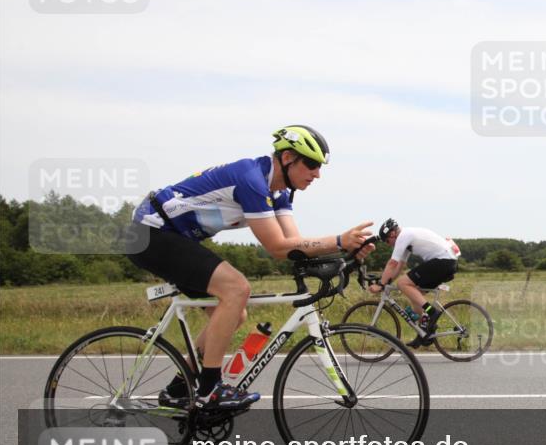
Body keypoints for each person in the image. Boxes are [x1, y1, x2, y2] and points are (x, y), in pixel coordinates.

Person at [126, 125, 375, 410]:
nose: (317, 173)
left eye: (319, 167)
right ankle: (209, 390)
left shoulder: (278, 192)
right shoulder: (252, 180)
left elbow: (294, 245)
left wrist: (345, 251)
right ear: (288, 158)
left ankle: (179, 388)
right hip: (150, 234)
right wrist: (340, 239)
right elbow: (277, 246)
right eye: (311, 164)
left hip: (172, 237)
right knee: (237, 288)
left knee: (235, 313)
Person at [368, 218, 459, 346]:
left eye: (387, 241)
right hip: (446, 262)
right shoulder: (406, 240)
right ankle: (424, 334)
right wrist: (387, 282)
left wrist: (380, 285)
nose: (388, 244)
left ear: (393, 234)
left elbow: (392, 263)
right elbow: (400, 266)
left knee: (402, 283)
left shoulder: (404, 236)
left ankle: (432, 312)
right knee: (416, 298)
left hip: (442, 261)